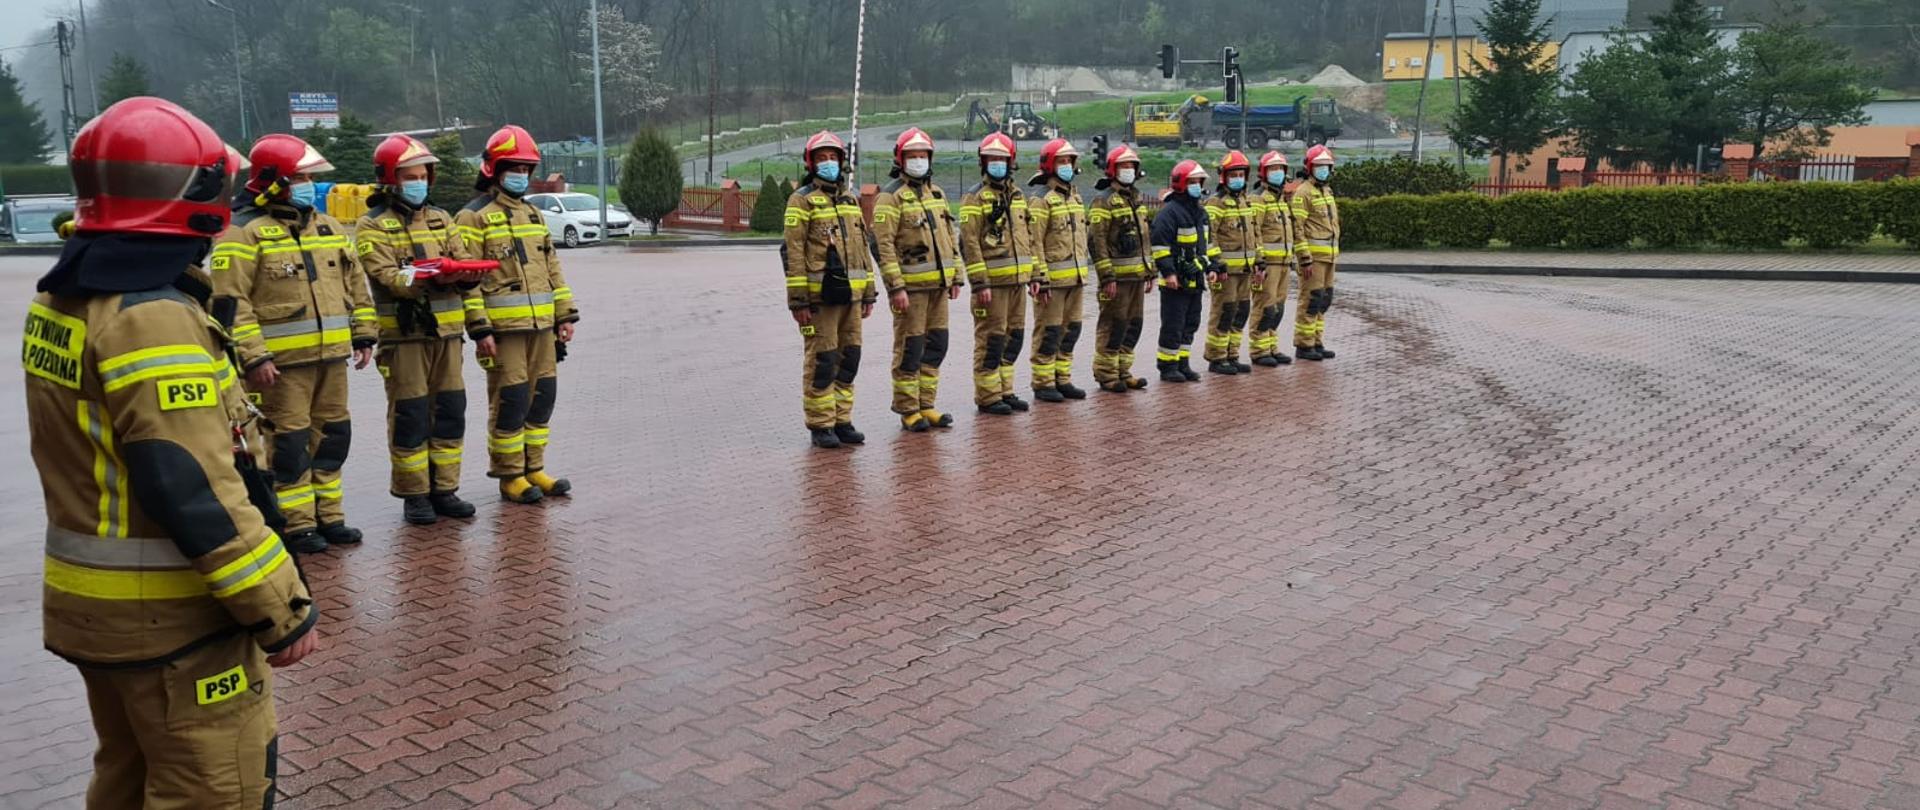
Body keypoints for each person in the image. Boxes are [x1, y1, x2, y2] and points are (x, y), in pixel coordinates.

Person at [26, 96, 318, 809]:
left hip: (102, 617)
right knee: (215, 789)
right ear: (190, 196)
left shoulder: (68, 299)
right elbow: (194, 486)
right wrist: (281, 608)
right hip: (175, 619)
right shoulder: (151, 318)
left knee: (127, 779)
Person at [213, 133, 377, 553]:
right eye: (301, 178)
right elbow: (232, 304)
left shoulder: (328, 226)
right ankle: (296, 523)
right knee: (289, 442)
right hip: (280, 366)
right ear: (274, 181)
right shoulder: (243, 233)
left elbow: (355, 285)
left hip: (331, 359)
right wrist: (254, 357)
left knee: (333, 435)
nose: (308, 186)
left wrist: (363, 334)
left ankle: (330, 517)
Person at [356, 135, 493, 524]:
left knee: (450, 413)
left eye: (422, 176)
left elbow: (464, 262)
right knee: (411, 416)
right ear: (389, 180)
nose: (418, 183)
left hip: (448, 337)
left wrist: (462, 276)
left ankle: (445, 489)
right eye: (409, 176)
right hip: (406, 339)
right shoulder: (371, 227)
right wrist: (434, 273)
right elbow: (386, 277)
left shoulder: (442, 219)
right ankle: (414, 495)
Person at [454, 125, 582, 497]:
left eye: (527, 169)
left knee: (543, 397)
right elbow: (468, 280)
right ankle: (510, 476)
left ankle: (534, 468)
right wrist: (480, 329)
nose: (521, 176)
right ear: (494, 169)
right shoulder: (472, 217)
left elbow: (552, 268)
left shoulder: (531, 214)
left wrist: (565, 315)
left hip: (542, 327)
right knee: (511, 401)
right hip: (504, 331)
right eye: (514, 168)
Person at [782, 130, 876, 448]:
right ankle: (821, 425)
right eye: (822, 158)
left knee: (849, 358)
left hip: (851, 296)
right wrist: (798, 301)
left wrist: (869, 293)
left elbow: (864, 247)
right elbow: (793, 252)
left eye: (833, 157)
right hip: (820, 299)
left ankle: (842, 419)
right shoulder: (802, 200)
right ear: (811, 162)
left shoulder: (849, 200)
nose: (828, 163)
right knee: (823, 360)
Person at [871, 127, 962, 432]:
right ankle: (908, 410)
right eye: (913, 156)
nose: (919, 160)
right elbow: (883, 246)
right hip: (910, 290)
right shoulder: (890, 197)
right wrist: (896, 287)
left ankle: (927, 404)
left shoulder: (936, 194)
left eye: (923, 155)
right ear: (901, 159)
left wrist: (956, 277)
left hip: (938, 287)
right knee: (910, 349)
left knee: (937, 346)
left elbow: (950, 237)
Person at [956, 132, 1036, 416]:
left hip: (1018, 283)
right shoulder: (975, 198)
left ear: (1010, 161)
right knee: (991, 339)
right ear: (983, 161)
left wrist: (1034, 275)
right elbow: (969, 242)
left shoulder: (1017, 196)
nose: (997, 163)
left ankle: (1005, 389)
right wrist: (979, 284)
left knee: (1013, 337)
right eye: (992, 159)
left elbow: (1029, 237)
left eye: (1002, 159)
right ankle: (988, 396)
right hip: (992, 284)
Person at [1023, 139, 1091, 402]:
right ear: (1050, 165)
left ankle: (1062, 379)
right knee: (1049, 332)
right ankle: (1043, 383)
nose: (1067, 166)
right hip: (1052, 282)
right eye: (1062, 162)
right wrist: (1039, 277)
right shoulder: (1041, 201)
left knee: (1070, 331)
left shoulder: (1074, 196)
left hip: (1075, 279)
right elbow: (1034, 241)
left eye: (1070, 162)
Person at [1086, 144, 1154, 393]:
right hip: (1116, 279)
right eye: (1124, 166)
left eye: (1132, 167)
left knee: (1132, 324)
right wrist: (1106, 277)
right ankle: (1106, 374)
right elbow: (1097, 241)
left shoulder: (1136, 198)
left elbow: (1145, 238)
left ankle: (1123, 371)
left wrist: (1150, 271)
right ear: (1113, 170)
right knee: (1113, 325)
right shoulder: (1103, 202)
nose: (1128, 171)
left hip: (1136, 276)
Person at [1150, 160, 1216, 383]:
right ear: (1181, 184)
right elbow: (1160, 247)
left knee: (1191, 322)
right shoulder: (1169, 213)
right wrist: (1169, 273)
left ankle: (1183, 363)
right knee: (1173, 324)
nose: (1197, 185)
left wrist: (1211, 268)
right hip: (1175, 281)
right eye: (1192, 181)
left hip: (1194, 278)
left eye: (1199, 181)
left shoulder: (1200, 213)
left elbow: (1207, 244)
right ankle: (1167, 366)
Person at [1201, 150, 1260, 375]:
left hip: (1244, 270)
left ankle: (1232, 354)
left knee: (1241, 311)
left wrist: (1259, 261)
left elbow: (1254, 234)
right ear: (1224, 177)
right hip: (1226, 272)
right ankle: (1217, 358)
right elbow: (1209, 236)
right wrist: (1216, 263)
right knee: (1223, 312)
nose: (1238, 178)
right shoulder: (1216, 203)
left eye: (1241, 174)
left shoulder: (1245, 202)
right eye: (1233, 174)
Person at [1247, 150, 1298, 366]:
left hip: (1284, 263)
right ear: (1264, 173)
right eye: (1272, 169)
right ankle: (1259, 350)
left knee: (1277, 308)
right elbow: (1253, 232)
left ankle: (1272, 346)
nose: (1277, 173)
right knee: (1264, 307)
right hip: (1267, 265)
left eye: (1280, 169)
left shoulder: (1280, 200)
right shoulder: (1258, 199)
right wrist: (1259, 262)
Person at [1292, 145, 1341, 360]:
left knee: (1323, 299)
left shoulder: (1326, 191)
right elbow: (1298, 228)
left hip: (1329, 256)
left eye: (1326, 166)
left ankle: (1316, 341)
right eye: (1319, 166)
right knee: (1311, 300)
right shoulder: (1303, 193)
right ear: (1310, 167)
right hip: (1313, 259)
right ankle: (1304, 345)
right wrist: (1304, 259)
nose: (1323, 170)